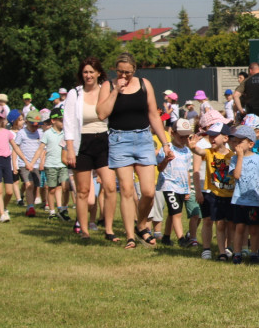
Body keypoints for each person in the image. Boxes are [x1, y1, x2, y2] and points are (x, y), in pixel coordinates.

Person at [96, 53, 173, 249]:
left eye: (128, 73)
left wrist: (165, 142)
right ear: (115, 69)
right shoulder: (107, 86)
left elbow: (153, 115)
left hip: (143, 138)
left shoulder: (144, 84)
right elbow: (102, 113)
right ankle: (131, 236)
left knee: (148, 191)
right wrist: (115, 91)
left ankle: (141, 225)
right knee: (127, 190)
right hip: (119, 139)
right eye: (120, 72)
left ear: (134, 71)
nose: (124, 76)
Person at [64, 57, 120, 241]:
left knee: (111, 187)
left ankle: (109, 229)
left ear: (98, 73)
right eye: (85, 72)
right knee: (83, 190)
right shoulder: (75, 93)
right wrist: (70, 149)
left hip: (103, 141)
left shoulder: (106, 90)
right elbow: (69, 122)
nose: (88, 75)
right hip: (83, 143)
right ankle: (84, 230)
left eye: (91, 72)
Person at [191, 121, 236, 261]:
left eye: (215, 136)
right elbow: (198, 151)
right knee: (218, 223)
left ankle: (231, 248)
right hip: (214, 195)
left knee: (230, 224)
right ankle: (219, 251)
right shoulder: (209, 152)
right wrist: (192, 146)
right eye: (210, 136)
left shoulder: (232, 156)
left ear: (225, 138)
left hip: (230, 195)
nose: (212, 139)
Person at [229, 125, 259, 264]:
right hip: (239, 200)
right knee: (239, 227)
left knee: (254, 229)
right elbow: (237, 175)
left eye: (240, 142)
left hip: (255, 200)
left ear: (251, 144)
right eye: (235, 141)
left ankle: (254, 253)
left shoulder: (258, 160)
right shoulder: (235, 159)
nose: (237, 145)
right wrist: (240, 157)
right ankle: (237, 253)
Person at [156, 118, 195, 247]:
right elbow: (160, 168)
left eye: (187, 137)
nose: (184, 140)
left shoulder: (187, 151)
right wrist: (166, 159)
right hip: (168, 184)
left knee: (173, 212)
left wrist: (188, 189)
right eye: (181, 136)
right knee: (176, 213)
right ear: (173, 133)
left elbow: (187, 171)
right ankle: (181, 239)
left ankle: (166, 237)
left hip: (182, 186)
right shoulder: (166, 148)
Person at [33, 108, 69, 220]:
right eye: (61, 120)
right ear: (53, 121)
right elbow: (40, 149)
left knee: (65, 187)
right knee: (52, 189)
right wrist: (32, 162)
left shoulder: (67, 133)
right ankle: (52, 212)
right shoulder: (47, 133)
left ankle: (63, 209)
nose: (64, 122)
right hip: (51, 165)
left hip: (63, 165)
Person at [14, 110, 44, 218]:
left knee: (36, 185)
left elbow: (42, 149)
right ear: (27, 122)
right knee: (29, 185)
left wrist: (39, 161)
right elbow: (16, 147)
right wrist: (25, 162)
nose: (35, 128)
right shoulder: (21, 133)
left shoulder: (40, 133)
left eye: (37, 126)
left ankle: (31, 203)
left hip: (36, 163)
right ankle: (30, 207)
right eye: (33, 126)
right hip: (24, 163)